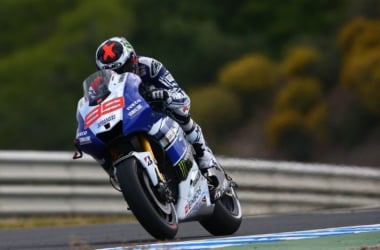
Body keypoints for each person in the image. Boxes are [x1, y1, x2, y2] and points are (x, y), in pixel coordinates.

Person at [94, 36, 229, 200]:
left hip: (159, 111)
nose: (119, 75)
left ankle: (206, 160)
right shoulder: (99, 85)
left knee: (181, 114)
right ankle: (119, 174)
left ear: (133, 59)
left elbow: (183, 98)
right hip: (129, 119)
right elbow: (93, 107)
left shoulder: (150, 67)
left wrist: (166, 96)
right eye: (113, 72)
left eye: (123, 69)